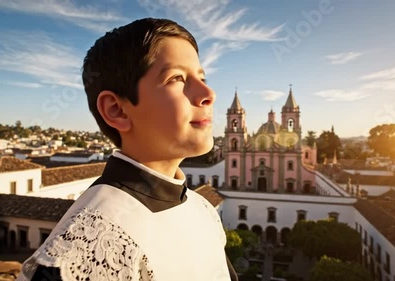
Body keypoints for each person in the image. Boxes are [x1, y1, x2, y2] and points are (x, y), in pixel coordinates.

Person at [17, 18, 238, 281]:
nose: (208, 93)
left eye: (202, 78)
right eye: (177, 78)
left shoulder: (202, 209)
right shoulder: (89, 247)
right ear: (117, 110)